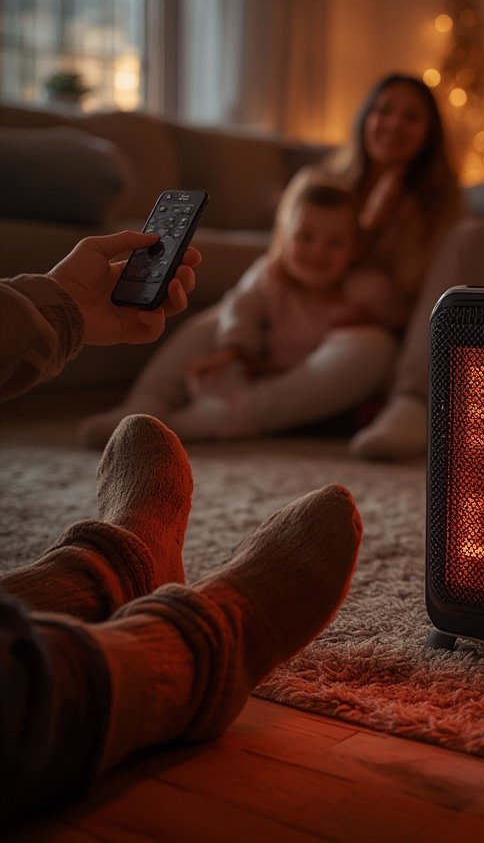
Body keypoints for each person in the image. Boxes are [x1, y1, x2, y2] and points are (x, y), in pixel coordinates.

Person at [0, 231, 363, 826]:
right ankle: (198, 657)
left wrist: (61, 301)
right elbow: (241, 316)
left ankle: (115, 569)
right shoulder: (267, 284)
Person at [81, 73, 484, 460]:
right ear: (366, 119)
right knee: (222, 313)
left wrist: (382, 232)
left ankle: (244, 413)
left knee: (369, 350)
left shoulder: (441, 212)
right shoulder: (318, 182)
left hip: (357, 333)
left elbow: (415, 298)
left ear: (429, 135)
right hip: (291, 311)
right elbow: (280, 263)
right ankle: (141, 408)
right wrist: (239, 342)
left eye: (411, 116)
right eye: (384, 110)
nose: (394, 123)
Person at [79, 179, 403, 447]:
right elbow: (241, 309)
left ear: (354, 249)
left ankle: (228, 415)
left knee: (378, 345)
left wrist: (373, 319)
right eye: (305, 237)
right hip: (250, 369)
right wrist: (230, 351)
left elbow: (402, 323)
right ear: (284, 237)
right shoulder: (270, 275)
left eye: (335, 243)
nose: (318, 251)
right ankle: (146, 405)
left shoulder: (365, 288)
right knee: (216, 317)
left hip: (301, 397)